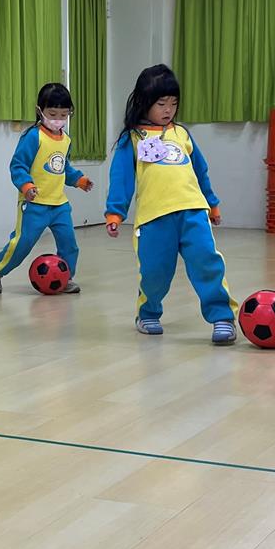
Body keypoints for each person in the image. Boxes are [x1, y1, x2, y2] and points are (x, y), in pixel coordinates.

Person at [105, 64, 238, 344]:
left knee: (207, 262)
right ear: (144, 102)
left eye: (174, 103)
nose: (169, 110)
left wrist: (212, 203)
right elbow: (121, 177)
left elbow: (200, 171)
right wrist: (115, 212)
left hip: (193, 212)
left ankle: (222, 317)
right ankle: (148, 312)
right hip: (154, 219)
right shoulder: (132, 138)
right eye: (161, 103)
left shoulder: (182, 134)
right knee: (155, 271)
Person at [0, 83, 92, 294]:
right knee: (23, 243)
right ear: (40, 111)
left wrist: (79, 180)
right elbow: (18, 165)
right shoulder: (33, 136)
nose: (58, 119)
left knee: (69, 245)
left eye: (63, 115)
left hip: (59, 205)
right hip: (34, 204)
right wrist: (27, 186)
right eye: (52, 114)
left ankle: (65, 278)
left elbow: (63, 167)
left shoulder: (66, 140)